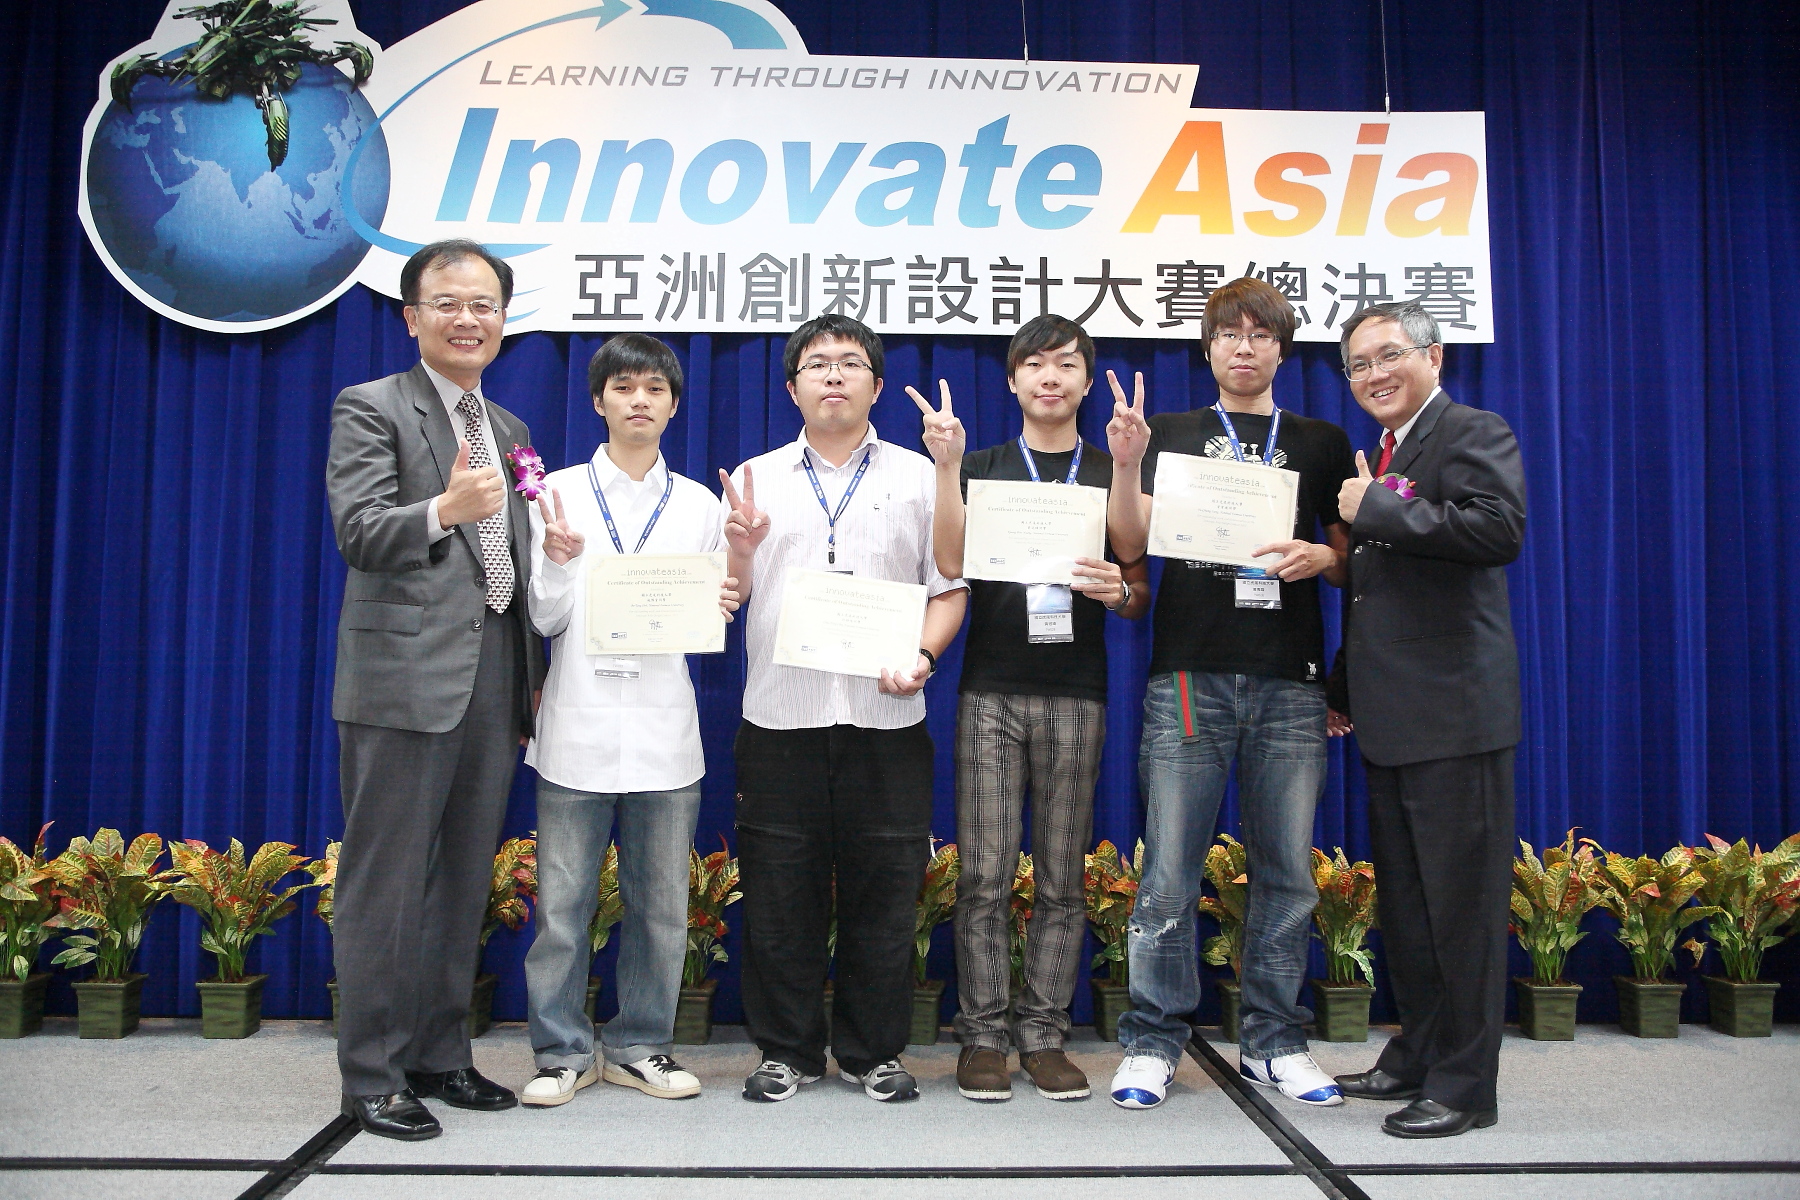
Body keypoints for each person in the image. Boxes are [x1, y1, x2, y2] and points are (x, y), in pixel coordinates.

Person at [1101, 277, 1356, 1111]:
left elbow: (1351, 560)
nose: (1244, 348)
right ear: (1207, 348)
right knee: (1169, 873)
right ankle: (1152, 1041)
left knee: (1286, 875)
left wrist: (1325, 558)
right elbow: (1131, 544)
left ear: (1283, 348)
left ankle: (1274, 1043)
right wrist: (1129, 462)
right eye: (1229, 334)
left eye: (1261, 334)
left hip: (1289, 682)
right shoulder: (1172, 434)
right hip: (1189, 677)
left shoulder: (1319, 440)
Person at [326, 239, 545, 1140]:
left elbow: (509, 564)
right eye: (448, 303)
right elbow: (359, 530)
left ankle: (440, 1053)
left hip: (494, 676)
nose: (468, 319)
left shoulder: (511, 430)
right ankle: (372, 1075)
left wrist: (532, 673)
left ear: (504, 320)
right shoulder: (371, 406)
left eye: (484, 304)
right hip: (403, 679)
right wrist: (442, 511)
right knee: (385, 880)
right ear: (413, 316)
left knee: (462, 879)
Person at [720, 313, 968, 1104]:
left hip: (886, 722)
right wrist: (739, 549)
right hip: (779, 720)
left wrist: (924, 657)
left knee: (884, 896)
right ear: (791, 387)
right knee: (778, 895)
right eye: (817, 364)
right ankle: (786, 1051)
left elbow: (951, 586)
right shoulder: (752, 478)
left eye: (850, 363)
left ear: (878, 385)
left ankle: (872, 1052)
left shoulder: (919, 477)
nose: (833, 375)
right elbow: (729, 596)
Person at [910, 314, 1149, 1103]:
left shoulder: (1105, 466)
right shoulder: (983, 465)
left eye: (1067, 364)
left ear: (1085, 381)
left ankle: (1044, 1033)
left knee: (1060, 876)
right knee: (983, 873)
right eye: (1035, 364)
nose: (1051, 377)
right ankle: (983, 1035)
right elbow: (950, 560)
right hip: (989, 692)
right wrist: (946, 467)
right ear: (1012, 380)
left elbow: (1134, 571)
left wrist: (1118, 589)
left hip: (1077, 694)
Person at [517, 333, 742, 1108]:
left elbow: (708, 618)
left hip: (663, 734)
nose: (639, 400)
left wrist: (719, 602)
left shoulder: (701, 506)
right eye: (624, 387)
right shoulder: (557, 495)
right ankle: (560, 1051)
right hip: (575, 731)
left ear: (674, 405)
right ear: (598, 400)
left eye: (654, 389)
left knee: (662, 911)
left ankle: (641, 1044)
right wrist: (557, 560)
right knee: (561, 910)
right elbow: (542, 620)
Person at [1325, 300, 1526, 1139]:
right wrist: (1343, 686)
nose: (1373, 374)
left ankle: (1467, 1086)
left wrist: (1374, 509)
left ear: (1433, 356)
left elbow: (1498, 530)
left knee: (1462, 910)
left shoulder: (1473, 430)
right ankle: (1418, 1051)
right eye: (1358, 365)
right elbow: (1383, 597)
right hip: (1393, 716)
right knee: (1409, 908)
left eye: (1388, 355)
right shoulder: (1386, 451)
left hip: (1455, 715)